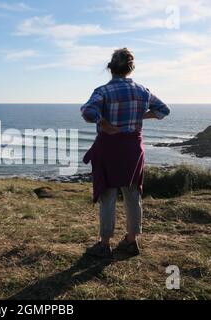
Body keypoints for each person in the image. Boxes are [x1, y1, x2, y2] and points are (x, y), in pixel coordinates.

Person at [81, 48, 170, 258]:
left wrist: (103, 121)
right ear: (131, 69)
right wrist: (141, 115)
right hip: (132, 148)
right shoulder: (143, 91)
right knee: (132, 193)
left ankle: (104, 244)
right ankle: (131, 241)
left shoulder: (102, 91)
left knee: (108, 194)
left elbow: (87, 112)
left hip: (109, 147)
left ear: (110, 68)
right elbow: (163, 110)